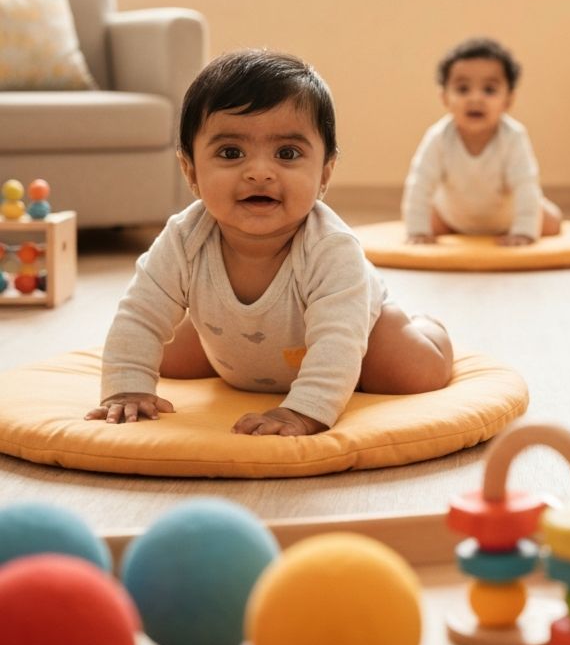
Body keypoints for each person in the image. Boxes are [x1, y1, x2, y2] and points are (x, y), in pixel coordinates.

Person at [86, 49, 453, 436]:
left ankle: (430, 329)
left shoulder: (331, 247)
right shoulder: (183, 237)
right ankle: (236, 359)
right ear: (190, 171)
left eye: (287, 153)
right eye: (231, 153)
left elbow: (337, 341)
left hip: (357, 333)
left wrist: (302, 411)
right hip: (237, 341)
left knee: (412, 374)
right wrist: (127, 386)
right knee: (164, 357)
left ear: (324, 173)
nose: (259, 172)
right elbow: (140, 314)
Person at [402, 37, 562, 246]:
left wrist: (523, 231)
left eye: (489, 90)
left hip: (507, 218)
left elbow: (525, 185)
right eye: (462, 89)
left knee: (552, 221)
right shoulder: (438, 137)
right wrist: (417, 230)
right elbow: (419, 183)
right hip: (452, 216)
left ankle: (519, 225)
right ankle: (453, 228)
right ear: (444, 98)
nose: (475, 98)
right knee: (427, 220)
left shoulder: (513, 137)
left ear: (508, 100)